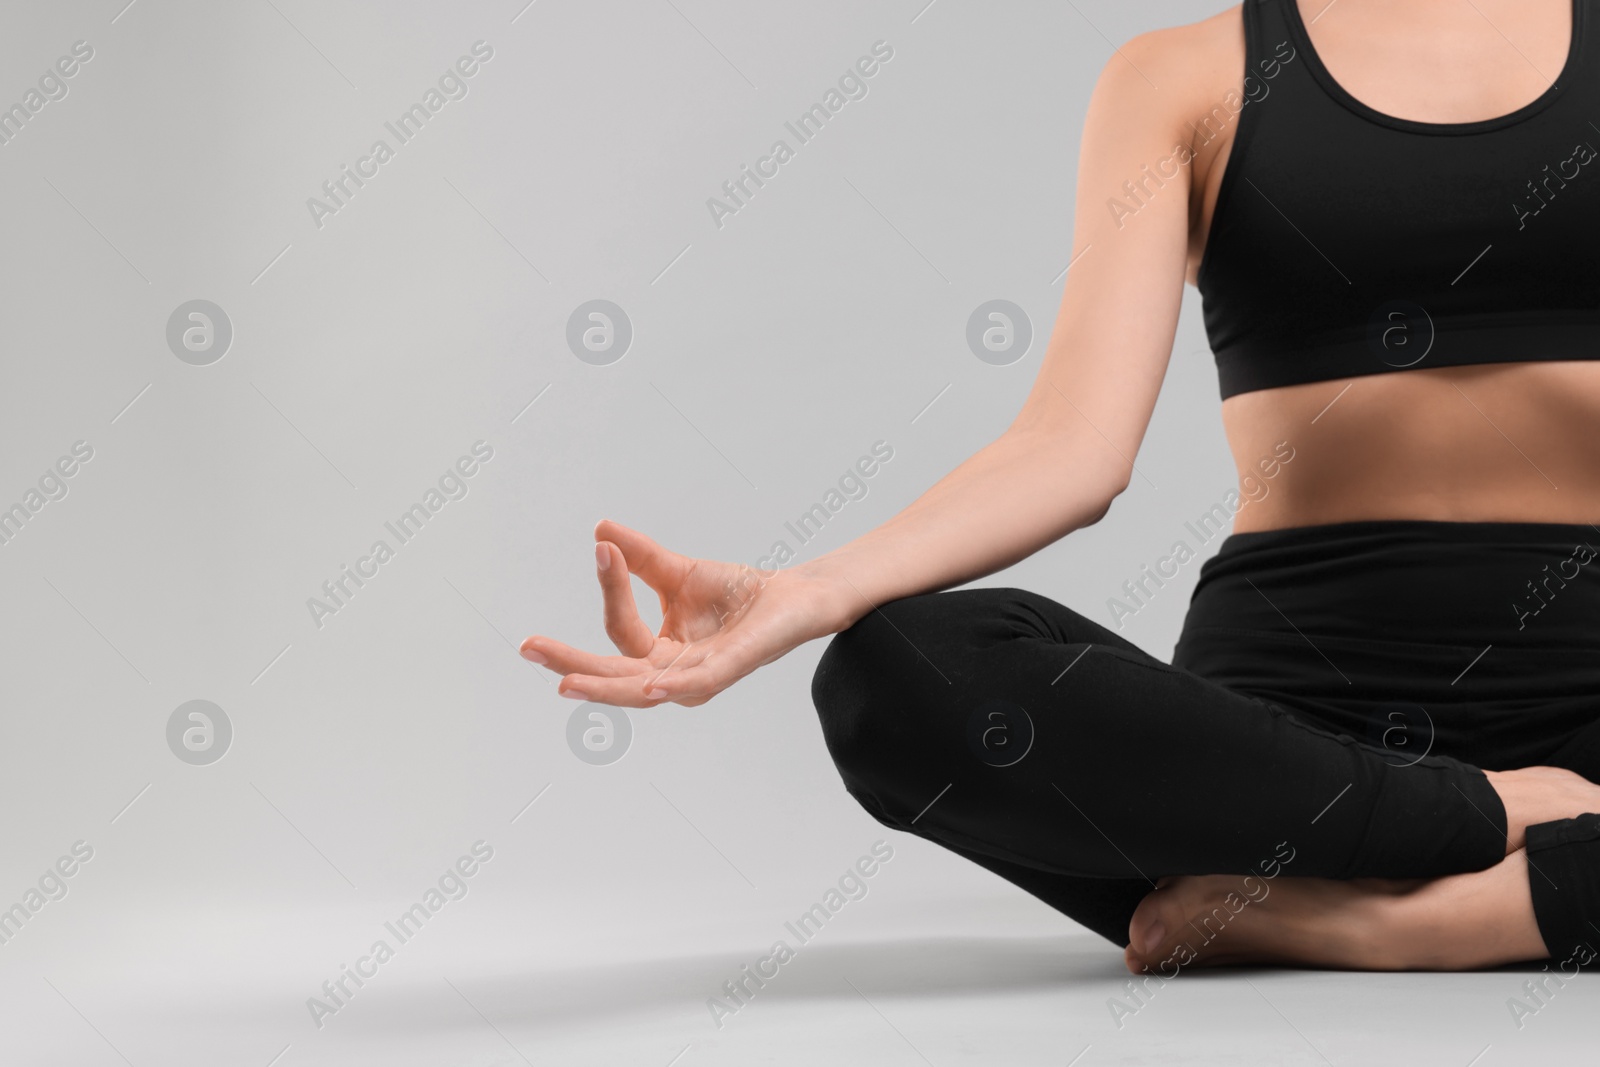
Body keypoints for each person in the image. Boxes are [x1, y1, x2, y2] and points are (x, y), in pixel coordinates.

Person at [522, 0, 1600, 974]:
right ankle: (1495, 841)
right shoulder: (1184, 74)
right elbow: (1071, 446)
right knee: (890, 679)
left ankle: (1364, 919)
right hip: (1289, 735)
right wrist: (811, 589)